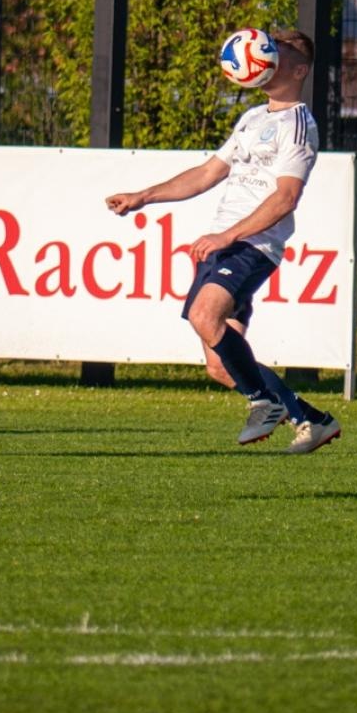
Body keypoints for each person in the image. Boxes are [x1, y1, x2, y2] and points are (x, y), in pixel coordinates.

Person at [104, 28, 341, 454]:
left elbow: (286, 197)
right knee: (219, 364)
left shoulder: (298, 125)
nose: (266, 54)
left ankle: (262, 402)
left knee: (202, 313)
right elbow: (208, 173)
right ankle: (312, 419)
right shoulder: (252, 119)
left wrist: (228, 234)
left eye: (278, 53)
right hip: (227, 244)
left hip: (252, 245)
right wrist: (144, 196)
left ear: (299, 69)